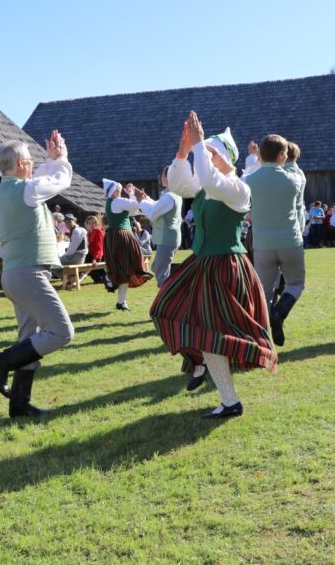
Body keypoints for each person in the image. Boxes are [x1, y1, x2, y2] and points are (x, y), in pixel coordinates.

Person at [152, 113, 277, 419]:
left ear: (224, 158)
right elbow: (182, 184)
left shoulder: (237, 187)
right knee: (166, 309)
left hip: (226, 267)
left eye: (209, 153)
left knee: (212, 332)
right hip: (204, 264)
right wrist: (183, 153)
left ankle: (228, 399)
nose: (203, 156)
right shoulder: (209, 185)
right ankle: (202, 368)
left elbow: (208, 180)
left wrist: (197, 144)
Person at [0, 131, 76, 418]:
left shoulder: (3, 192)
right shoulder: (25, 190)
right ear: (22, 164)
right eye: (31, 161)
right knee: (62, 332)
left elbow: (40, 180)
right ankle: (1, 363)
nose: (34, 165)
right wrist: (61, 159)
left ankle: (19, 404)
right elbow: (60, 181)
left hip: (14, 273)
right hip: (28, 273)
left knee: (29, 339)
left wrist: (51, 160)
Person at [243, 133, 305, 348]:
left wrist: (255, 159)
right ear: (281, 156)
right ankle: (280, 313)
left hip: (263, 244)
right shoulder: (294, 179)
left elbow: (245, 200)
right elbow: (292, 171)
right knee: (295, 283)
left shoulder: (249, 181)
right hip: (290, 240)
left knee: (264, 291)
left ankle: (265, 338)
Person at [101, 178, 152, 310]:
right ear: (115, 191)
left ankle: (121, 302)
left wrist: (130, 195)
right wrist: (130, 192)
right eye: (118, 189)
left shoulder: (111, 202)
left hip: (115, 236)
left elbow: (133, 212)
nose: (120, 191)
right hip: (122, 236)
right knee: (129, 265)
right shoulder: (117, 201)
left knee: (124, 269)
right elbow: (136, 205)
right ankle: (110, 278)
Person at [138, 166, 183, 287]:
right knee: (157, 266)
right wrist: (146, 198)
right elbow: (157, 206)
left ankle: (168, 299)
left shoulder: (170, 196)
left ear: (168, 177)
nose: (161, 177)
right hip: (169, 238)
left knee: (160, 271)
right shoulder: (173, 194)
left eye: (163, 174)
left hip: (167, 238)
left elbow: (152, 213)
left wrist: (140, 201)